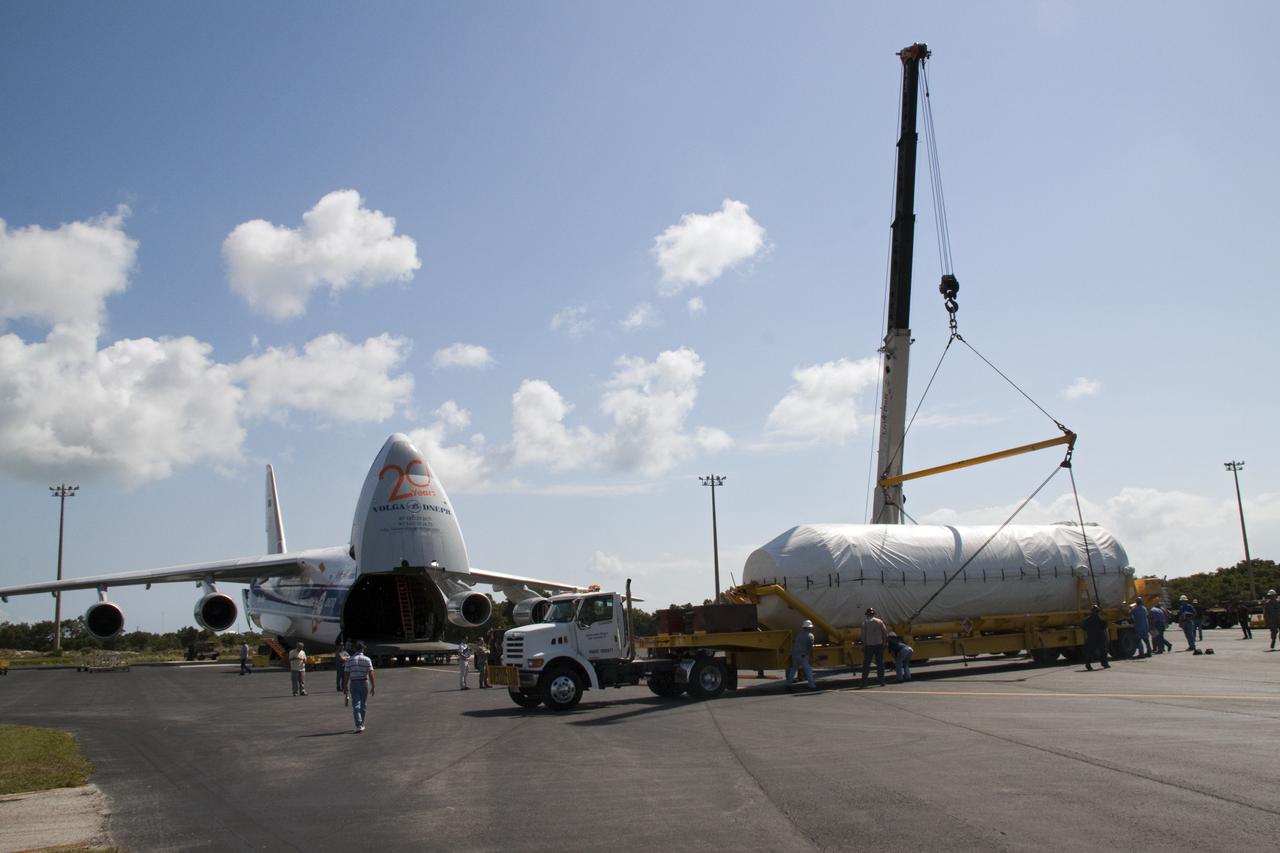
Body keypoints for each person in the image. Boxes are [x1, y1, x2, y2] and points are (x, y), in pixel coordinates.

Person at [343, 641, 376, 733]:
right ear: (363, 649)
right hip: (364, 682)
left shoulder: (350, 660)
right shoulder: (367, 659)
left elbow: (346, 674)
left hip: (354, 682)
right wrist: (373, 686)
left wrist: (345, 686)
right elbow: (371, 673)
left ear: (354, 649)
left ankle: (358, 724)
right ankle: (361, 724)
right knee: (363, 704)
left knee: (356, 704)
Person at [858, 607, 888, 688]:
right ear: (874, 614)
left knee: (867, 664)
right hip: (879, 644)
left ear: (867, 614)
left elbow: (863, 636)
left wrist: (863, 645)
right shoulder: (879, 621)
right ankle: (882, 681)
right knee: (880, 664)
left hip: (869, 645)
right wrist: (884, 643)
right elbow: (885, 633)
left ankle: (864, 683)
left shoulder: (865, 623)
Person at [785, 620, 817, 690]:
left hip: (795, 654)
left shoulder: (799, 634)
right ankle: (812, 686)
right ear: (809, 628)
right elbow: (810, 647)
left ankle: (788, 684)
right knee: (808, 670)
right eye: (810, 627)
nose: (811, 628)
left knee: (793, 669)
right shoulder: (810, 635)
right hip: (803, 655)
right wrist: (810, 656)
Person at [1082, 604, 1110, 670]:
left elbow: (1083, 627)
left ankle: (1088, 664)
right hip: (1100, 638)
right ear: (1098, 611)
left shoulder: (1087, 620)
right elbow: (1105, 626)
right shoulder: (1101, 620)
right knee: (1103, 651)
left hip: (1091, 638)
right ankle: (1105, 664)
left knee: (1090, 651)